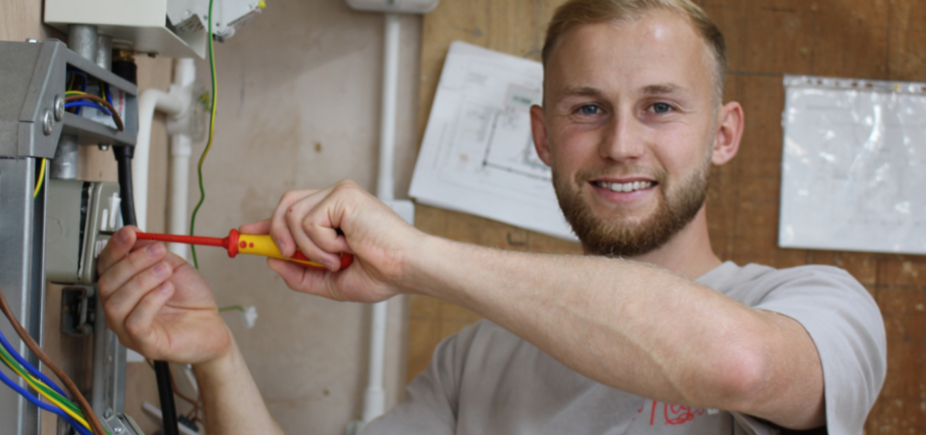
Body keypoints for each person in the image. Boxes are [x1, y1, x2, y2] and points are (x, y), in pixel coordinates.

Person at [96, 0, 886, 433]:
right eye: (587, 108)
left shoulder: (821, 306)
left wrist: (413, 258)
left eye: (660, 107)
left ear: (723, 134)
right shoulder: (476, 360)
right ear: (543, 136)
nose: (620, 143)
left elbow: (736, 366)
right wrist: (217, 357)